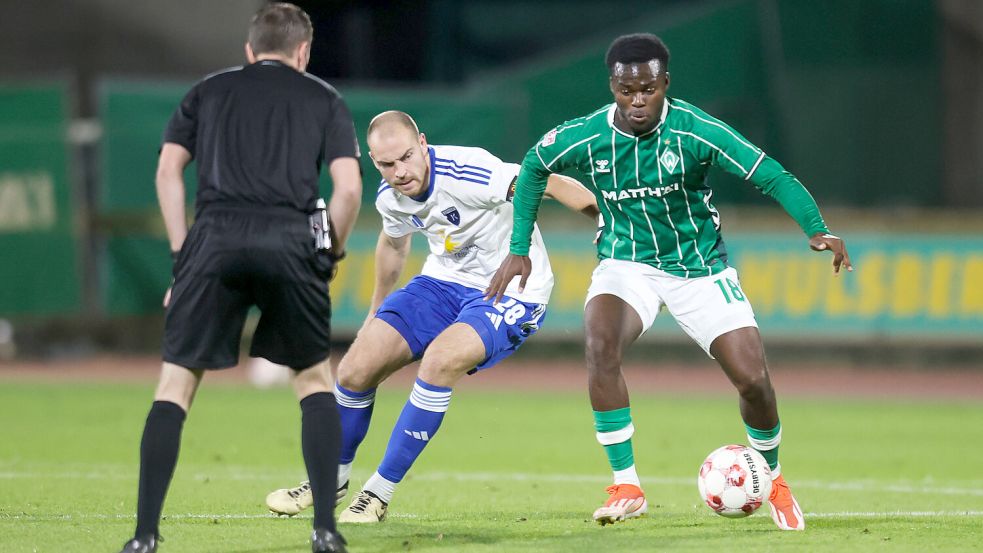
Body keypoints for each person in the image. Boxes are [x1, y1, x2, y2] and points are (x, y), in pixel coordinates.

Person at [486, 33, 852, 531]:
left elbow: (770, 174)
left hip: (700, 268)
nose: (637, 100)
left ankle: (774, 477)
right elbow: (533, 167)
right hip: (625, 264)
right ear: (612, 85)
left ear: (665, 84)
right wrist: (519, 247)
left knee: (752, 378)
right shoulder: (587, 135)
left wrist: (815, 227)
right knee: (599, 342)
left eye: (649, 89)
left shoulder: (696, 131)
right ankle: (627, 484)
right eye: (626, 90)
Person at [265, 110, 599, 523]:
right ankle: (330, 482)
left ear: (422, 143)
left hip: (513, 289)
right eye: (387, 164)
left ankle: (378, 493)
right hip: (441, 284)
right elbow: (393, 243)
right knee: (354, 369)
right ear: (374, 162)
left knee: (440, 360)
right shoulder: (391, 197)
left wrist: (606, 218)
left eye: (406, 157)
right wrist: (375, 310)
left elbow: (542, 181)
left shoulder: (467, 169)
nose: (400, 171)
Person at [116, 4, 360, 553]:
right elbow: (346, 190)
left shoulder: (207, 91)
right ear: (303, 53)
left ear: (250, 50)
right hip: (291, 238)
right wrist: (329, 253)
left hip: (216, 237)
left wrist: (184, 255)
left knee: (175, 385)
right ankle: (325, 529)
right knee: (314, 381)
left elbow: (167, 170)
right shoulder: (324, 97)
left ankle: (145, 536)